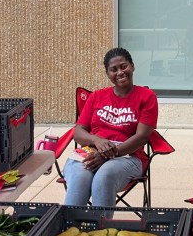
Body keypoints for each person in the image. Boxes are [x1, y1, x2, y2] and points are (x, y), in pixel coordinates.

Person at [63, 47, 158, 208]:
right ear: (108, 74)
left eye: (123, 66)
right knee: (80, 177)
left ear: (132, 66)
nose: (120, 72)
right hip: (90, 152)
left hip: (127, 156)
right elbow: (78, 132)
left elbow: (141, 137)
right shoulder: (97, 96)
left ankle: (100, 224)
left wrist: (108, 155)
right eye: (114, 69)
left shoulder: (147, 97)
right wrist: (96, 140)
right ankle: (69, 223)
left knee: (104, 175)